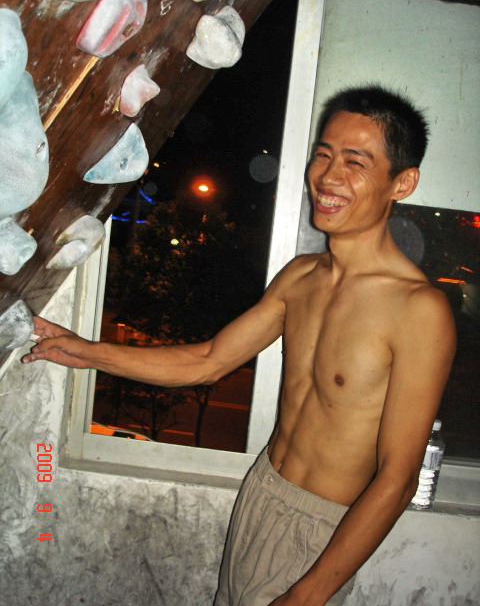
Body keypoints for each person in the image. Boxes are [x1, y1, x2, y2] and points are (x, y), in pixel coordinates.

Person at [22, 85, 456, 606]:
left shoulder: (418, 311)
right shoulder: (301, 277)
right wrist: (85, 351)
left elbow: (398, 478)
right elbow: (209, 360)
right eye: (323, 155)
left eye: (355, 162)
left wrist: (307, 596)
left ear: (402, 182)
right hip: (261, 492)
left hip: (323, 530)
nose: (328, 176)